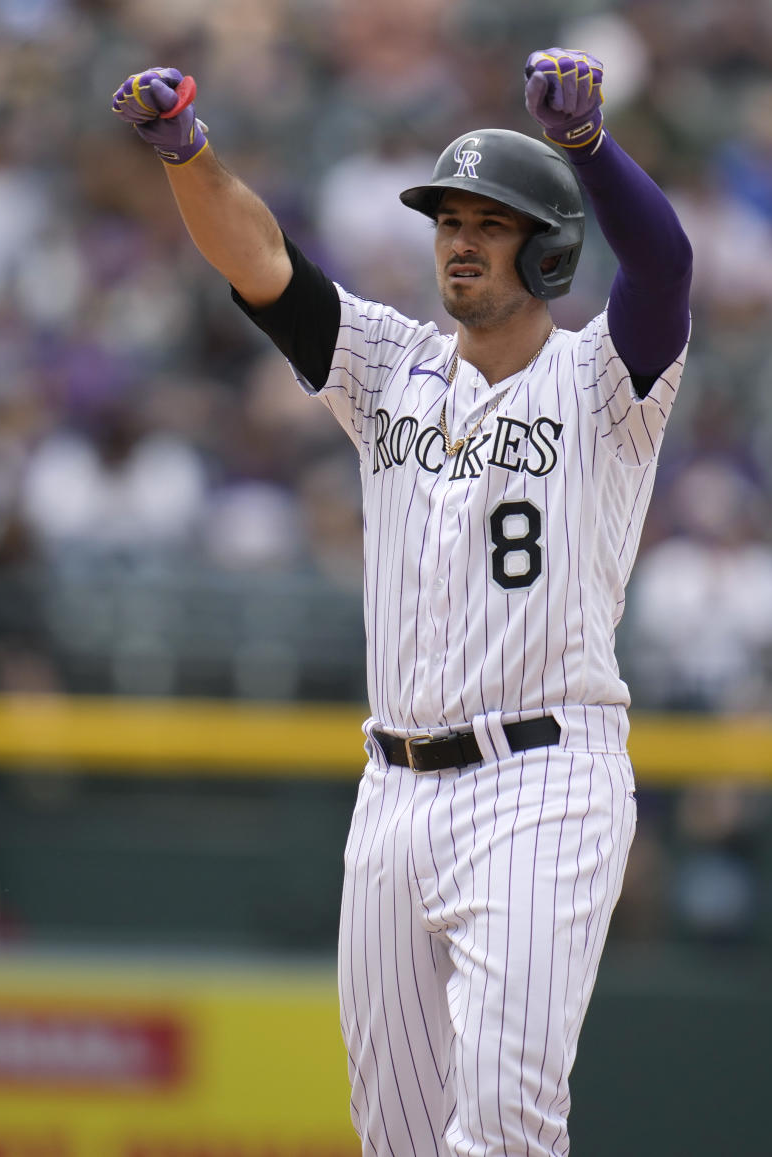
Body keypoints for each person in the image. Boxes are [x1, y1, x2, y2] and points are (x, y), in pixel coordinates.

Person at [112, 46, 692, 1156]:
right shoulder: (392, 366)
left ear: (553, 245)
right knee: (399, 1138)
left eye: (489, 222)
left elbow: (664, 268)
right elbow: (267, 264)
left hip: (542, 781)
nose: (460, 242)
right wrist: (188, 154)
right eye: (447, 221)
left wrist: (588, 146)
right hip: (391, 792)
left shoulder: (605, 381)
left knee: (509, 1119)